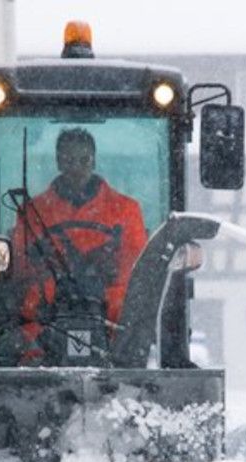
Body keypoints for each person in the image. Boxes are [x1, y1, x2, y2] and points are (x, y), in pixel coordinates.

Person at [11, 127, 148, 363]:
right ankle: (30, 360)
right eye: (68, 160)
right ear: (58, 162)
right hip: (51, 300)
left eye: (83, 160)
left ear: (94, 161)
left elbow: (136, 266)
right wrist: (39, 265)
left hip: (106, 298)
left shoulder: (126, 209)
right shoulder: (34, 211)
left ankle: (124, 361)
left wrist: (107, 269)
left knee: (129, 310)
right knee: (25, 309)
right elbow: (20, 265)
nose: (76, 168)